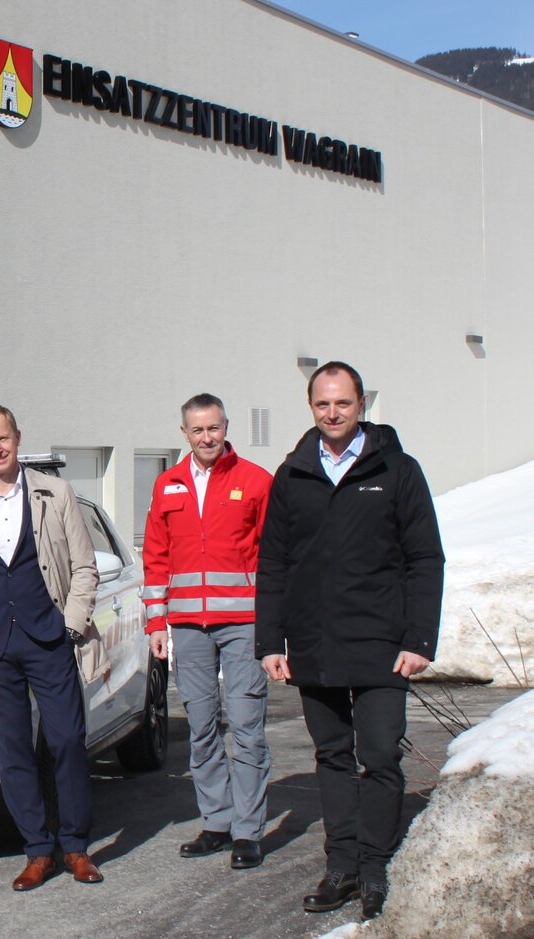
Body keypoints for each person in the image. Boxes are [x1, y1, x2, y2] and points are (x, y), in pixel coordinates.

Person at [256, 361, 444, 920]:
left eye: (342, 403)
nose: (332, 413)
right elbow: (273, 564)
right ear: (310, 407)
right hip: (314, 643)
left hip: (383, 643)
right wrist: (270, 640)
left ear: (362, 404)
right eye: (322, 404)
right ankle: (341, 865)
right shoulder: (293, 474)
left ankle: (374, 865)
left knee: (380, 754)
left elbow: (425, 559)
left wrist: (420, 638)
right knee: (332, 756)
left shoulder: (398, 469)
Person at [0, 403, 107, 891]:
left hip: (50, 639)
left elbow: (84, 568)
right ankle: (37, 851)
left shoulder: (56, 494)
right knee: (12, 751)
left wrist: (70, 625)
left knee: (68, 741)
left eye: (4, 438)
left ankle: (75, 847)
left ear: (17, 438)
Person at [143, 393, 273, 869]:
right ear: (184, 433)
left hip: (243, 625)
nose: (207, 437)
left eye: (214, 428)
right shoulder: (167, 485)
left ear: (225, 427)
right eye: (197, 430)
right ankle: (216, 822)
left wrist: (275, 627)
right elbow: (155, 559)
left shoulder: (256, 482)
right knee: (201, 728)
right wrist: (157, 622)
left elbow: (276, 559)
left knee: (246, 727)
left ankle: (247, 831)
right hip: (188, 627)